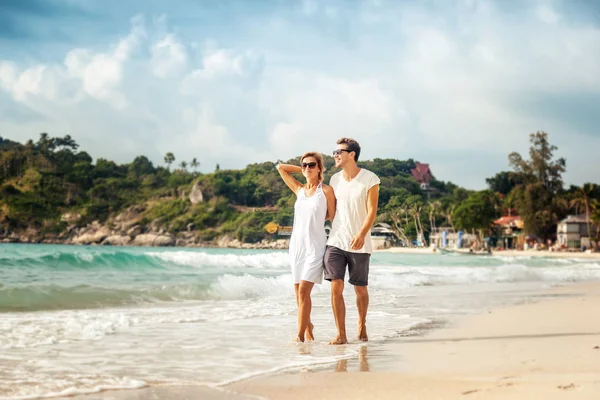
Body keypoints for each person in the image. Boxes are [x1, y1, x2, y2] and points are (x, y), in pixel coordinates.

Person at [324, 138, 380, 345]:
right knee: (335, 286)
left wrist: (362, 233)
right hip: (336, 240)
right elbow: (332, 211)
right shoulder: (334, 180)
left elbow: (372, 211)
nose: (335, 155)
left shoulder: (370, 178)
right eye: (335, 152)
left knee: (360, 289)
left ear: (352, 155)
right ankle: (341, 334)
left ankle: (362, 324)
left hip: (360, 242)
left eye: (339, 151)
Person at [276, 152, 336, 342]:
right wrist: (301, 169)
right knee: (298, 294)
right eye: (304, 165)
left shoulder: (326, 191)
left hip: (315, 247)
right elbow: (281, 168)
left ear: (319, 167)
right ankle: (308, 326)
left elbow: (333, 218)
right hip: (297, 246)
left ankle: (300, 336)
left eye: (312, 165)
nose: (307, 168)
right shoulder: (299, 190)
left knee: (303, 292)